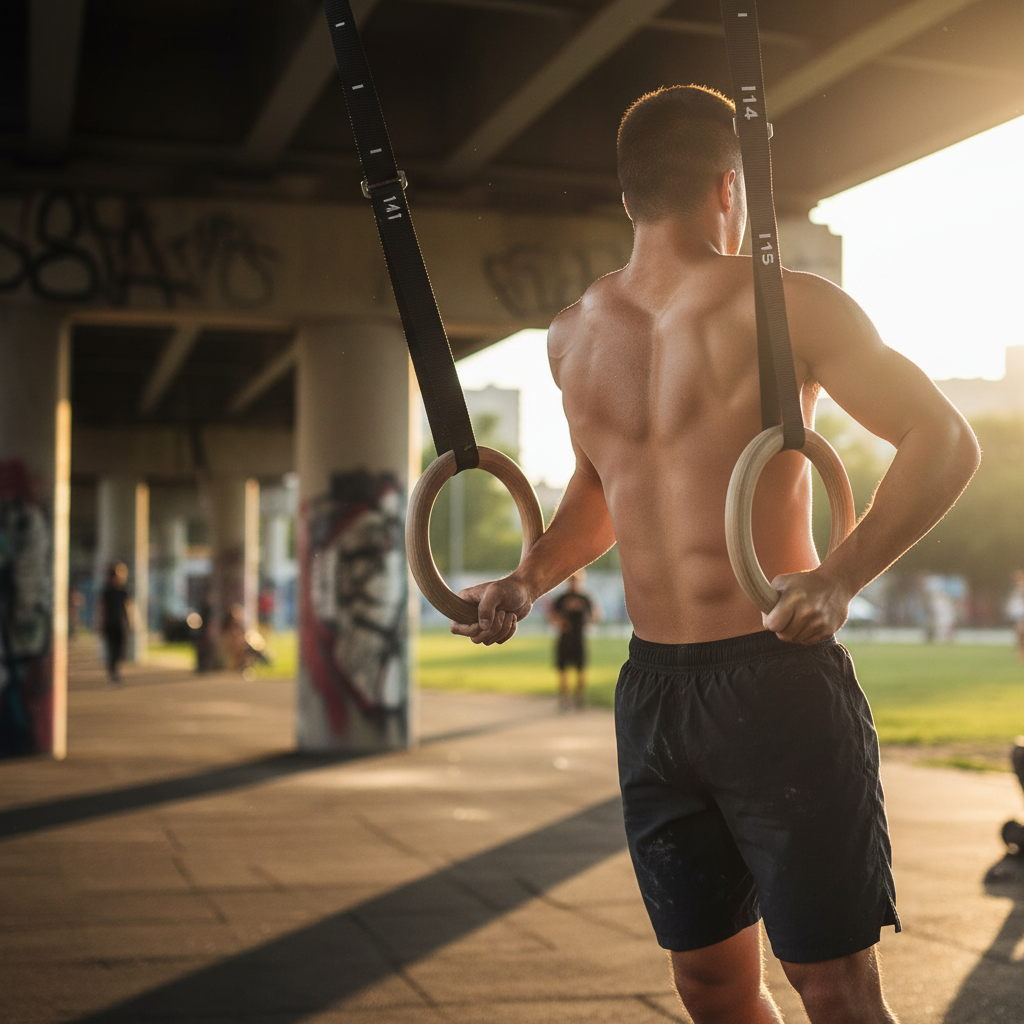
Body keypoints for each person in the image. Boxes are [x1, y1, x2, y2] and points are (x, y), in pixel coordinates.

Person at [450, 85, 980, 1024]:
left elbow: (943, 439)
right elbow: (601, 494)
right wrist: (527, 577)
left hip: (777, 677)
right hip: (655, 694)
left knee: (835, 987)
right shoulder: (575, 337)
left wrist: (839, 575)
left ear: (627, 196)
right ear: (729, 188)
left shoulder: (789, 310)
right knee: (708, 986)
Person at [547, 570, 600, 710]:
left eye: (576, 580)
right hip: (565, 638)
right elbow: (552, 616)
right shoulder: (561, 598)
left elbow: (595, 615)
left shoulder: (585, 598)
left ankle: (580, 697)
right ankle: (564, 698)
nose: (573, 583)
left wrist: (588, 620)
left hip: (579, 638)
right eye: (571, 580)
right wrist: (561, 622)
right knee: (563, 670)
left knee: (581, 669)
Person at [95, 563, 133, 683]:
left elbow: (128, 607)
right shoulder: (106, 591)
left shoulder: (124, 591)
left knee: (120, 649)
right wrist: (99, 623)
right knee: (111, 649)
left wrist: (131, 622)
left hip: (121, 624)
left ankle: (115, 670)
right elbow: (101, 608)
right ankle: (113, 672)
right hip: (109, 624)